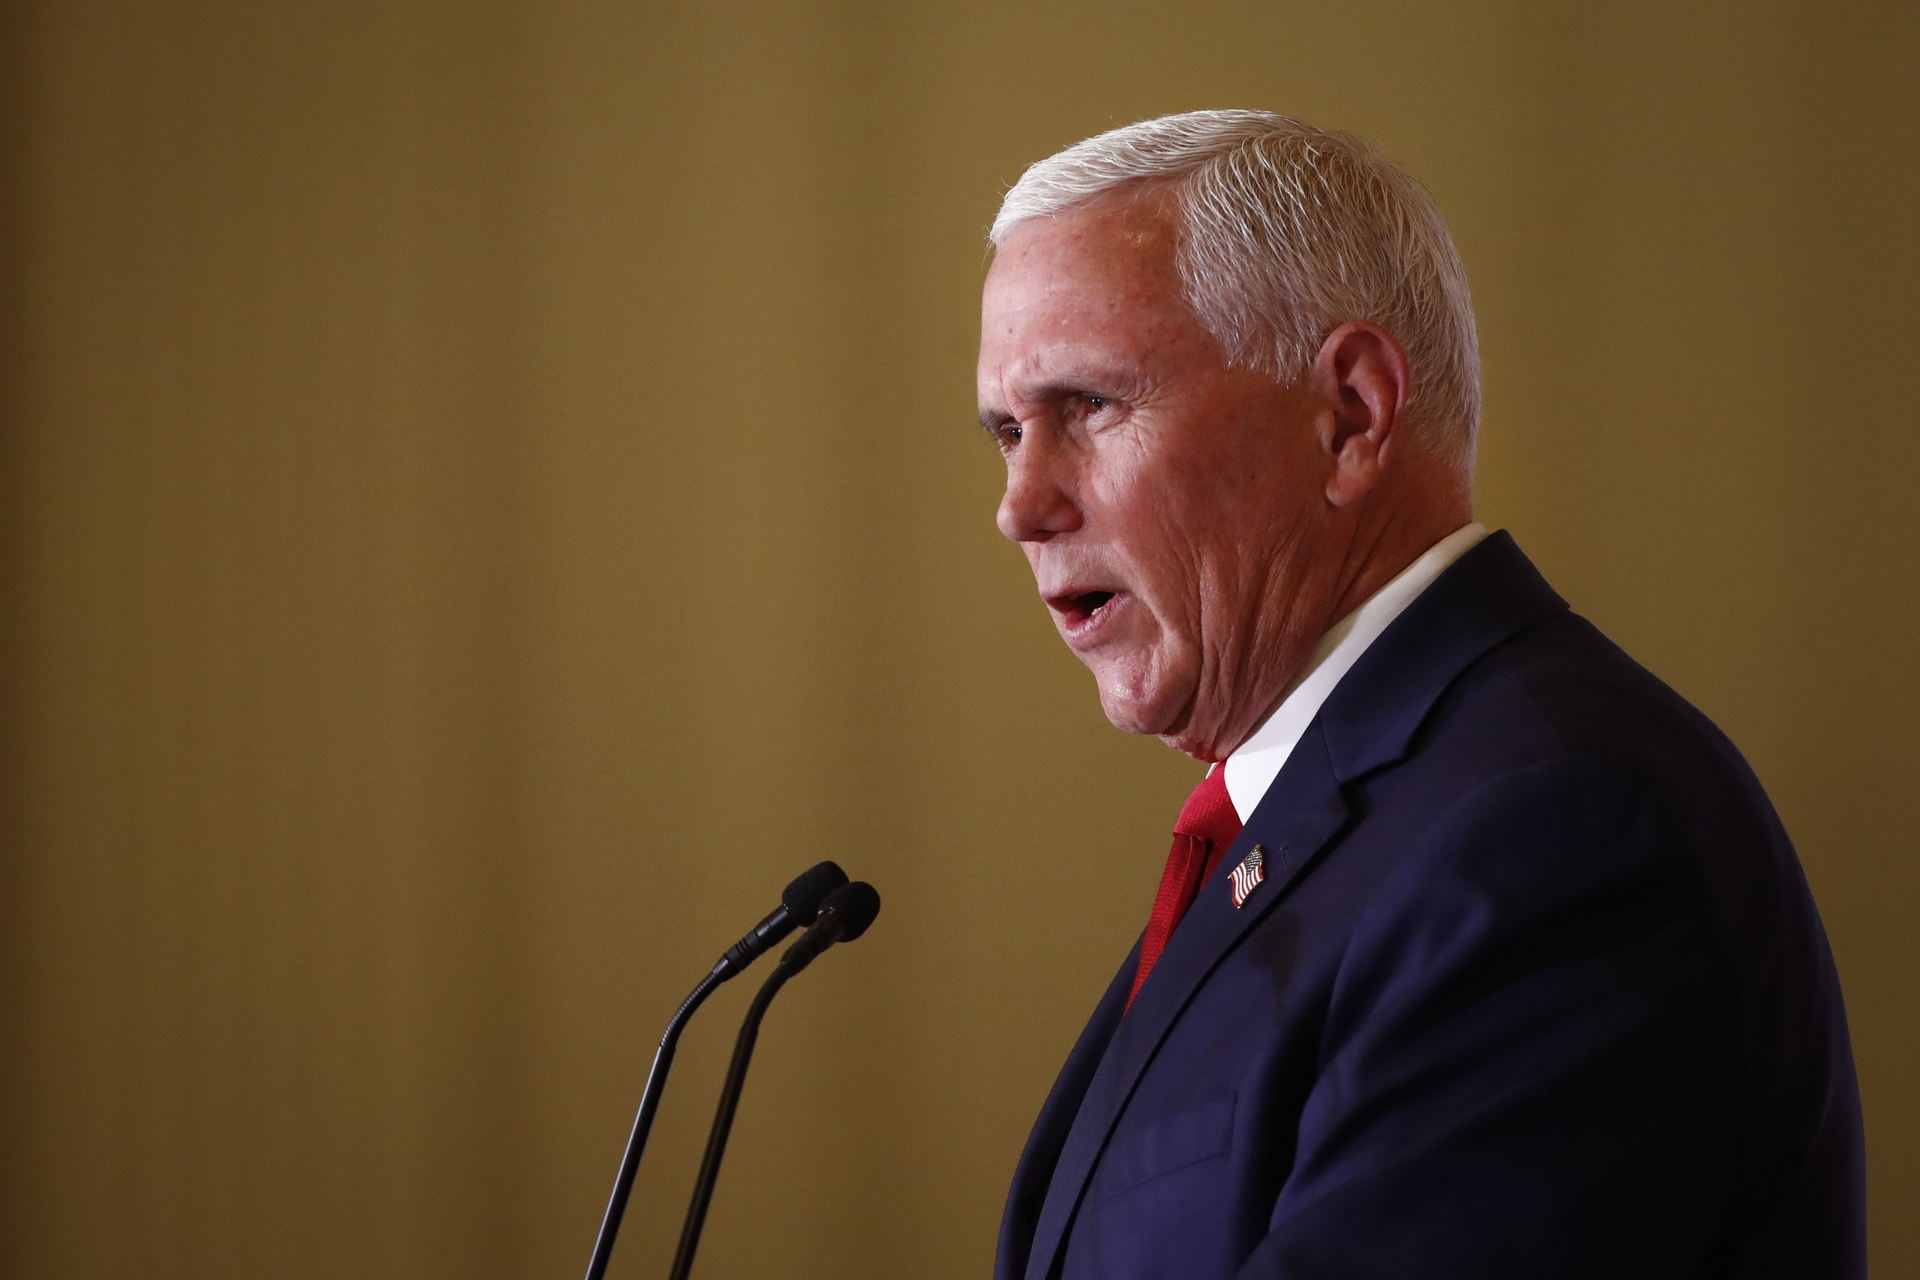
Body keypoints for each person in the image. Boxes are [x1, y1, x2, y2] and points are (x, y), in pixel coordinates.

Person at [978, 110, 1862, 1280]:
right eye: (1007, 431)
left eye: (1090, 405)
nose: (1020, 505)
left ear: (1350, 414)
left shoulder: (1558, 831)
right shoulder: (1314, 826)